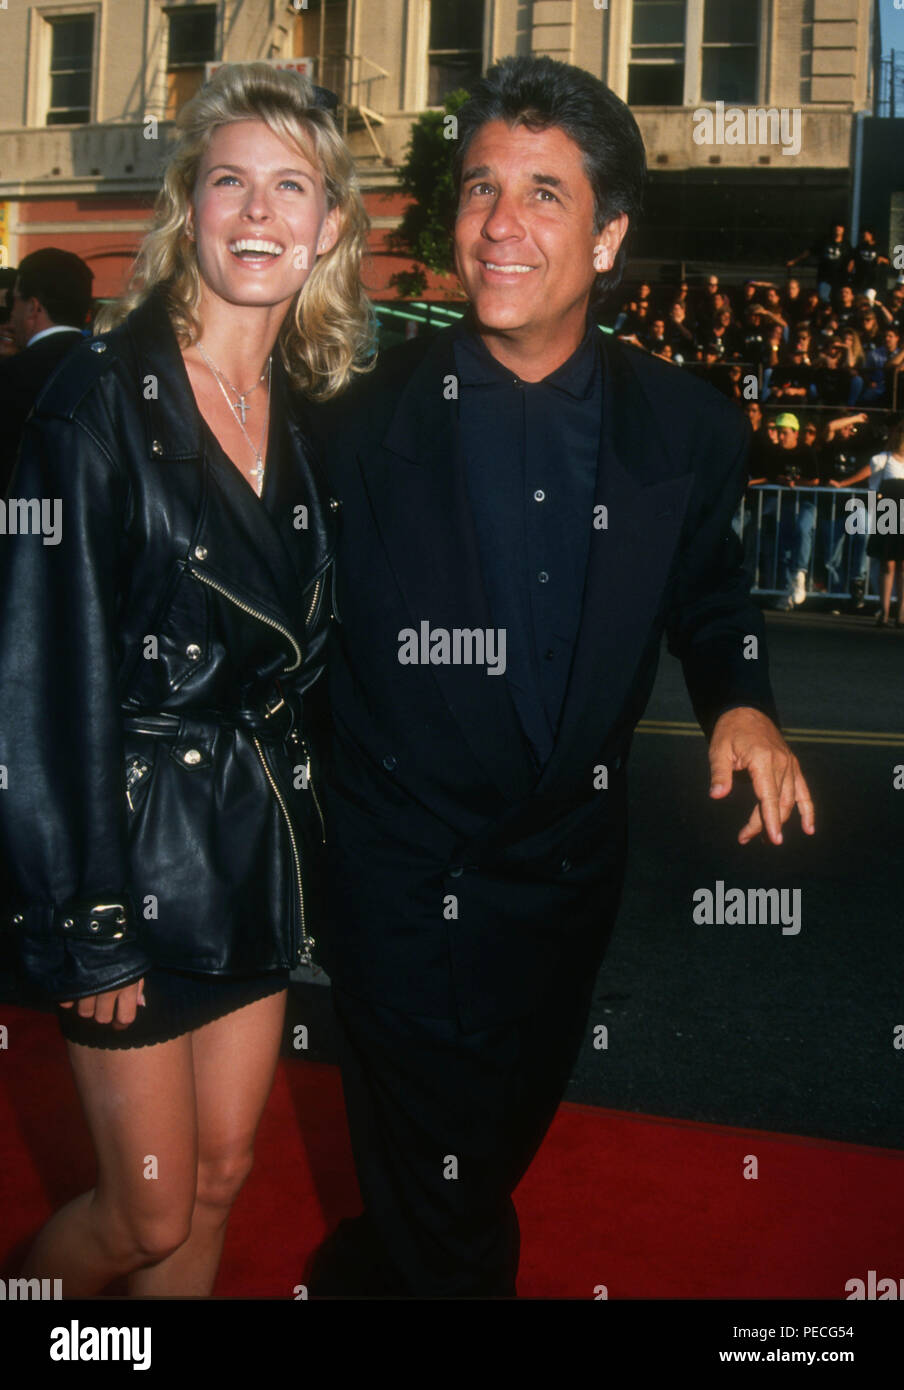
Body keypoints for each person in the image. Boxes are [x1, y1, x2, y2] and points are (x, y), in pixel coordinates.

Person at [302, 55, 815, 1299]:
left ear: (609, 237)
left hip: (567, 874)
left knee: (477, 1157)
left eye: (543, 192)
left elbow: (709, 592)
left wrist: (741, 698)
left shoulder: (687, 426)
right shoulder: (353, 421)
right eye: (482, 188)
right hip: (397, 869)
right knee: (451, 1195)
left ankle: (375, 1262)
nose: (500, 225)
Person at [0, 62, 370, 1297]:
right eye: (230, 183)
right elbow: (43, 683)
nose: (258, 212)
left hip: (248, 856)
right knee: (145, 1215)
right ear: (188, 209)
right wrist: (89, 929)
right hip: (130, 861)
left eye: (289, 187)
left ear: (327, 226)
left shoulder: (304, 412)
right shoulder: (93, 403)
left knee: (217, 1183)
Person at [0, 249, 93, 495]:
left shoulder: (10, 376)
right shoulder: (111, 369)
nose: (11, 313)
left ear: (33, 308)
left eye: (15, 301)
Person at [866, 417, 904, 626]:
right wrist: (874, 518)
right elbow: (873, 489)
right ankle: (885, 611)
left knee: (903, 566)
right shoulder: (881, 460)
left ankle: (901, 614)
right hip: (888, 516)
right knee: (887, 564)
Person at [787, 222, 853, 303]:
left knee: (838, 300)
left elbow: (851, 260)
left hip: (839, 278)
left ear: (844, 230)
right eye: (836, 227)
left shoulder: (846, 244)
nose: (838, 229)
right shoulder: (824, 242)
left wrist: (848, 273)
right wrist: (794, 261)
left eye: (840, 227)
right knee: (823, 298)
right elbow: (809, 252)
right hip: (824, 276)